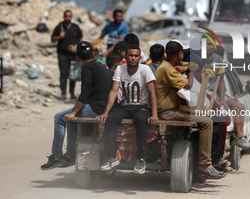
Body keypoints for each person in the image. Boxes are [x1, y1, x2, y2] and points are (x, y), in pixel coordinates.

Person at [155, 41, 226, 179]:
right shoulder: (167, 69)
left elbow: (195, 64)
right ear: (180, 54)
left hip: (171, 110)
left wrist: (186, 67)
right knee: (206, 122)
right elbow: (188, 84)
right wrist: (190, 71)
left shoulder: (168, 65)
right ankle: (205, 164)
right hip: (167, 112)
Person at [41, 41, 112, 170]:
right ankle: (69, 156)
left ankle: (56, 156)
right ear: (94, 54)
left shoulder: (87, 68)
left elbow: (84, 95)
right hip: (103, 107)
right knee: (71, 121)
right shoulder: (100, 66)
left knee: (59, 117)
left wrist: (73, 112)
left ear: (78, 58)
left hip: (95, 109)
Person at [98, 45, 159, 174]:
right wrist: (106, 112)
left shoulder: (145, 69)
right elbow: (114, 91)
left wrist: (154, 114)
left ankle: (141, 159)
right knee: (111, 119)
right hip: (125, 105)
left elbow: (152, 93)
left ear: (140, 57)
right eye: (131, 55)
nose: (133, 58)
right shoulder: (120, 69)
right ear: (126, 56)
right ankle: (111, 157)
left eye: (136, 56)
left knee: (141, 120)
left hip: (141, 106)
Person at [51, 10, 83, 100]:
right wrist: (59, 37)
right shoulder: (59, 27)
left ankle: (72, 93)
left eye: (69, 16)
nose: (67, 18)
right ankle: (63, 94)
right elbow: (52, 39)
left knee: (73, 74)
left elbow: (81, 39)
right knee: (63, 73)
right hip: (62, 54)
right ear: (63, 17)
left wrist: (80, 49)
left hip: (73, 55)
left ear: (71, 17)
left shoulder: (76, 27)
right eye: (66, 16)